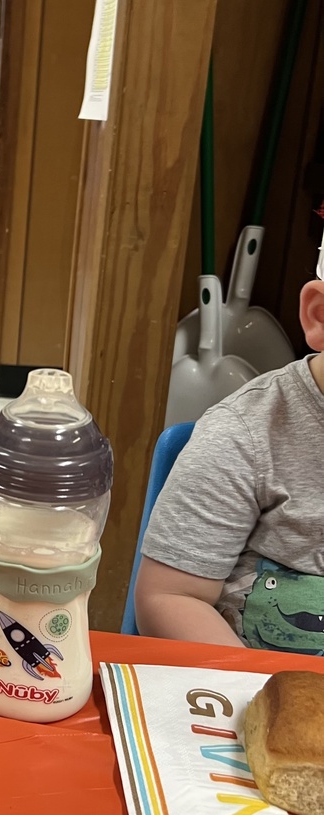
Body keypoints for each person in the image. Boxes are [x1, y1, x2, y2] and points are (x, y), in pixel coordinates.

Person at [134, 230, 324, 653]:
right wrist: (257, 685)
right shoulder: (244, 435)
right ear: (320, 315)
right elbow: (170, 596)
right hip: (252, 682)